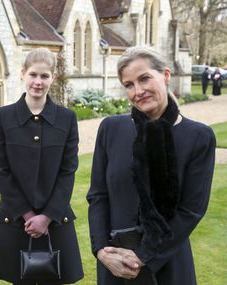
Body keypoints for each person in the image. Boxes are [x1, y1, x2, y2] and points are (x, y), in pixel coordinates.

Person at [87, 46, 216, 285]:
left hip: (167, 264)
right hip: (115, 265)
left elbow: (191, 210)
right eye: (129, 85)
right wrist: (101, 250)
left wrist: (143, 255)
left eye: (144, 78)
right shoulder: (111, 129)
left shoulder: (199, 137)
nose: (138, 91)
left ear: (166, 76)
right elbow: (98, 195)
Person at [0, 48, 84, 285]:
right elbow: (1, 171)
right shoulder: (2, 117)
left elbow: (67, 171)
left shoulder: (67, 118)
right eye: (33, 75)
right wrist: (29, 215)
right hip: (17, 221)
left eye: (44, 76)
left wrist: (47, 216)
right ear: (23, 74)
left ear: (53, 77)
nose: (38, 82)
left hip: (56, 221)